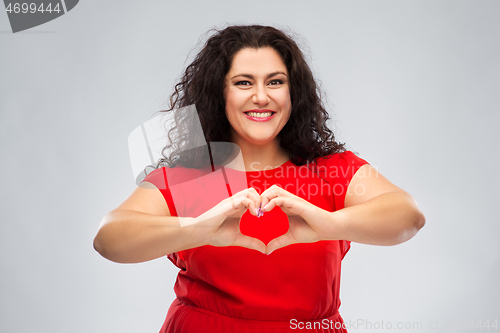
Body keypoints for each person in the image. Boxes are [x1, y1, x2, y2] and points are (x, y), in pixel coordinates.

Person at [93, 24, 425, 333]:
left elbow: (408, 216)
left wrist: (329, 223)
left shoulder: (331, 169)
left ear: (293, 92)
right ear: (219, 93)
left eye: (275, 81)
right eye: (243, 82)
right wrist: (197, 229)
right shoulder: (186, 178)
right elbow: (109, 238)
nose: (262, 97)